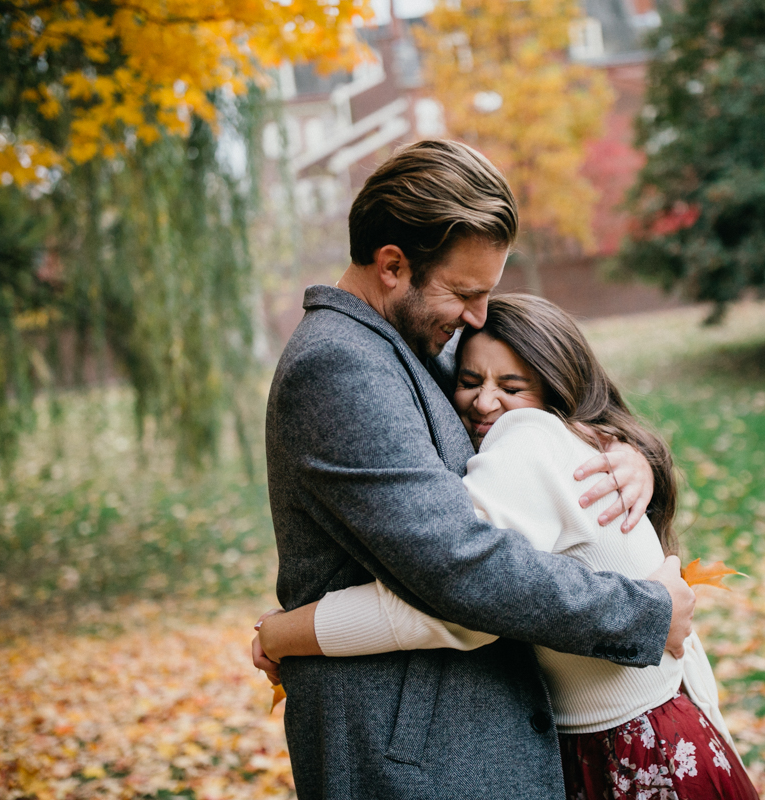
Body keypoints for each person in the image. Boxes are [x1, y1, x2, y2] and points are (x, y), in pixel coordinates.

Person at [262, 140, 696, 799]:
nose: (479, 317)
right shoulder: (341, 366)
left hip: (451, 738)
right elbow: (458, 565)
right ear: (391, 266)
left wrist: (631, 451)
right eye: (465, 292)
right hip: (413, 754)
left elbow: (546, 402)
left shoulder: (399, 345)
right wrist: (642, 612)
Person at [258, 295, 759, 800]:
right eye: (470, 381)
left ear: (553, 386)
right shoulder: (567, 439)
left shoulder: (526, 441)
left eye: (511, 387)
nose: (485, 402)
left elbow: (454, 603)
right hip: (653, 733)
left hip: (631, 753)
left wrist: (287, 631)